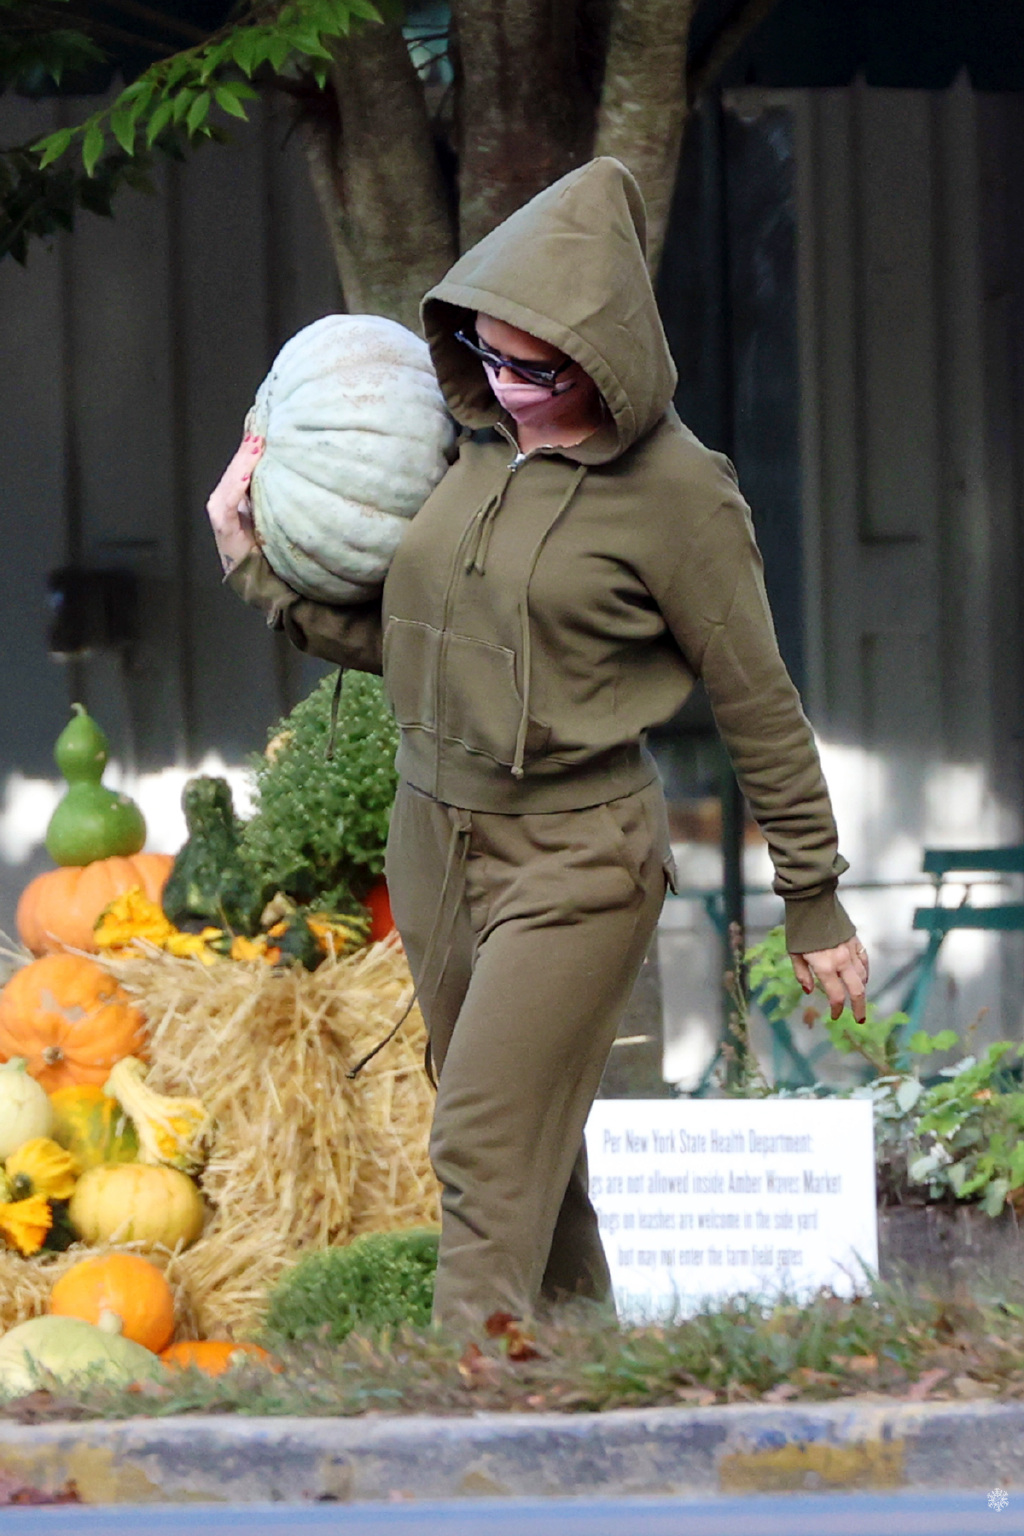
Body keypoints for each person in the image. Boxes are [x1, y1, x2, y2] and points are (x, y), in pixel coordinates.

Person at [207, 157, 869, 1329]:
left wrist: (811, 895)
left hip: (577, 855)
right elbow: (414, 648)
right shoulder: (467, 448)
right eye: (488, 354)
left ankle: (464, 1399)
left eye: (538, 368)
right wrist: (251, 566)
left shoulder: (681, 496)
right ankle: (569, 1379)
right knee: (529, 1154)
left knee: (481, 1135)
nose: (507, 388)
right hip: (435, 837)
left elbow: (758, 701)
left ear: (604, 353)